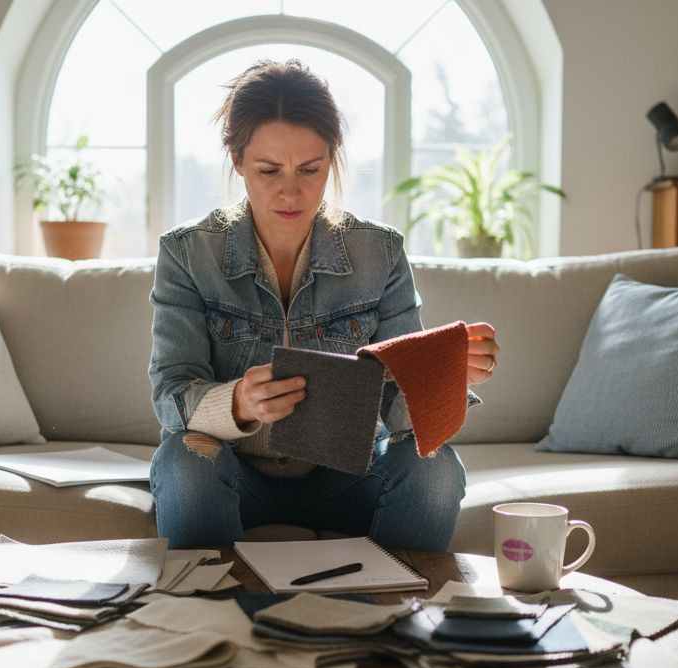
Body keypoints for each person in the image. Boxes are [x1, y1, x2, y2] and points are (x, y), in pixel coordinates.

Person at [147, 59, 499, 550]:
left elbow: (404, 423)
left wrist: (442, 377)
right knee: (184, 462)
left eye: (310, 169)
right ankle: (209, 619)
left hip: (346, 478)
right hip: (233, 474)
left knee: (435, 466)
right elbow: (170, 394)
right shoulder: (188, 253)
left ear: (331, 160)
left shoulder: (381, 253)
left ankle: (396, 614)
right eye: (269, 170)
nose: (290, 190)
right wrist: (238, 402)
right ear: (236, 160)